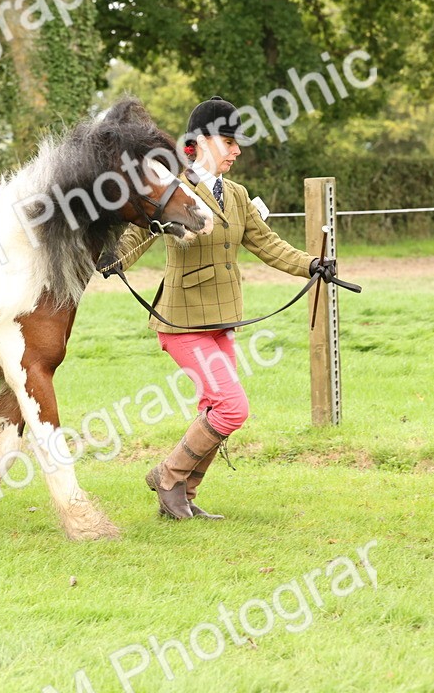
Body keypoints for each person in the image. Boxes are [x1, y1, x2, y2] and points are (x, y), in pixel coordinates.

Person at [99, 96, 336, 520]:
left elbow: (267, 244)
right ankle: (168, 476)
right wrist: (112, 259)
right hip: (183, 323)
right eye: (229, 141)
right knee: (232, 407)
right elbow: (140, 234)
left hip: (222, 320)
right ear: (202, 141)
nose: (237, 150)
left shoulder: (239, 195)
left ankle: (184, 495)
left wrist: (312, 265)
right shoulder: (173, 186)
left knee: (215, 408)